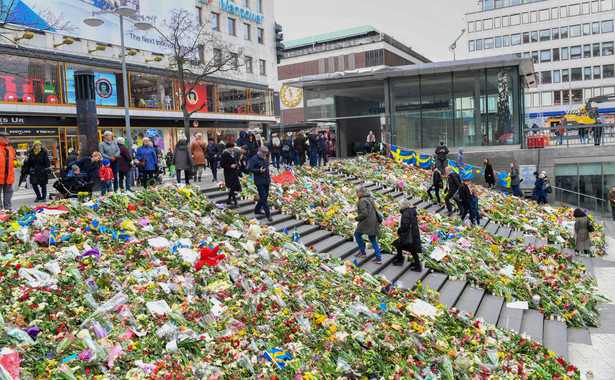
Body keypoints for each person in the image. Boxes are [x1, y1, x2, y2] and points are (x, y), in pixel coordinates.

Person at [353, 185, 382, 264]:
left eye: (357, 192)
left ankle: (362, 252)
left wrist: (356, 218)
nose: (356, 194)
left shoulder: (362, 200)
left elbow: (364, 213)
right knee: (373, 239)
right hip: (373, 221)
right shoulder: (369, 197)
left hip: (367, 222)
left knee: (357, 234)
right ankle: (378, 257)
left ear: (361, 192)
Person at [392, 199, 422, 271]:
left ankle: (401, 261)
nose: (399, 207)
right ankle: (415, 264)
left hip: (409, 234)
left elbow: (405, 225)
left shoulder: (406, 213)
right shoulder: (411, 211)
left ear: (402, 206)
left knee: (399, 245)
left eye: (400, 205)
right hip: (413, 233)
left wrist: (399, 230)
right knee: (410, 249)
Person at [248, 146, 273, 222]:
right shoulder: (254, 159)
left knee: (265, 197)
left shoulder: (265, 158)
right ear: (260, 151)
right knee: (263, 197)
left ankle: (257, 209)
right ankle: (268, 214)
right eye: (264, 153)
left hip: (266, 180)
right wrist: (259, 170)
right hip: (259, 181)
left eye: (266, 153)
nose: (265, 154)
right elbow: (250, 169)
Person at [220, 142, 241, 207]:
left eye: (232, 148)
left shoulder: (233, 154)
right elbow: (222, 165)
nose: (232, 149)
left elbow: (235, 161)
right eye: (230, 148)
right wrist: (230, 166)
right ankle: (235, 201)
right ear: (227, 148)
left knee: (234, 186)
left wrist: (236, 165)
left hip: (234, 172)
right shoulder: (224, 154)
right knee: (231, 186)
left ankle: (229, 200)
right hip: (228, 172)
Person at [0, 132, 15, 210]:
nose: (6, 139)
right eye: (4, 137)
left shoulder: (10, 148)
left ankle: (8, 210)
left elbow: (12, 161)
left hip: (9, 176)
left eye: (7, 137)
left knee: (9, 193)